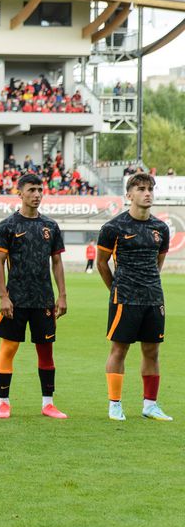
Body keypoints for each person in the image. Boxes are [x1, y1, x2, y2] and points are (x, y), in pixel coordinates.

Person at [0, 173, 68, 420]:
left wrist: (62, 295)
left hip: (43, 299)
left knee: (46, 351)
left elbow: (57, 262)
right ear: (20, 193)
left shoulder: (50, 227)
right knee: (9, 348)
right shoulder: (7, 226)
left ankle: (48, 404)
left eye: (39, 190)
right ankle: (3, 402)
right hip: (16, 299)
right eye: (31, 190)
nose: (36, 194)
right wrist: (3, 297)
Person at [97, 172, 172, 421]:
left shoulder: (160, 228)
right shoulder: (113, 228)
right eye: (140, 189)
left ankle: (150, 405)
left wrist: (147, 285)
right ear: (129, 195)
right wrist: (116, 290)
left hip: (153, 298)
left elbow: (157, 262)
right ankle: (115, 404)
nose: (147, 193)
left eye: (150, 188)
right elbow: (101, 263)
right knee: (119, 350)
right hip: (125, 298)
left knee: (152, 352)